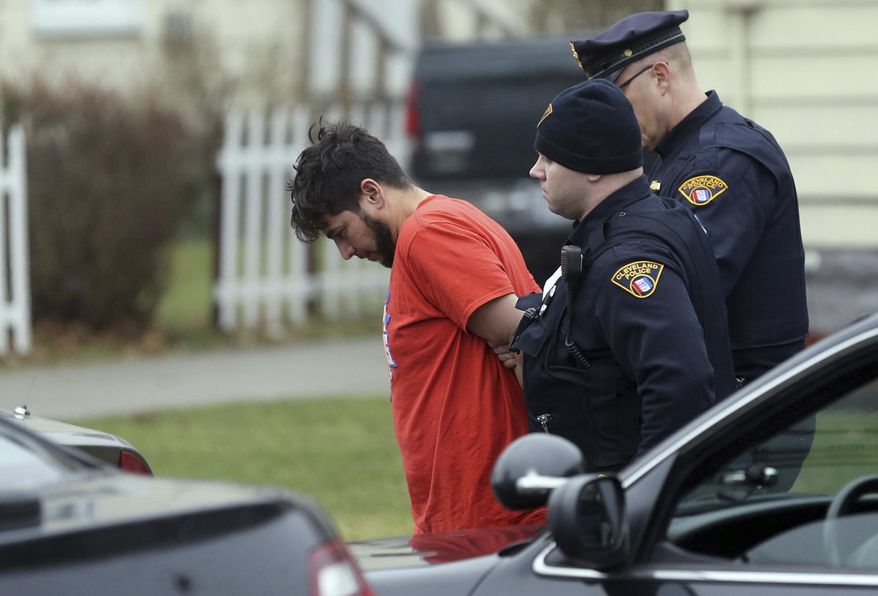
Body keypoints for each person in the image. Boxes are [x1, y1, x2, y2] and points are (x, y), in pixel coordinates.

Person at [288, 121, 543, 534]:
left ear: (371, 193)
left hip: (488, 523)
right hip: (470, 520)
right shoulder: (441, 224)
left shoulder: (429, 234)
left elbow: (527, 334)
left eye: (341, 233)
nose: (347, 252)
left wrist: (516, 345)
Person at [570, 10, 808, 386]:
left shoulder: (720, 160)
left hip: (751, 405)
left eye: (618, 97)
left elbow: (675, 287)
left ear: (660, 76)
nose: (614, 116)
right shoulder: (677, 155)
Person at [510, 79, 735, 472]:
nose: (536, 171)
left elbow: (680, 384)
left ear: (592, 165)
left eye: (549, 158)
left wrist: (639, 495)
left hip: (625, 505)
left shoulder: (627, 258)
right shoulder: (652, 218)